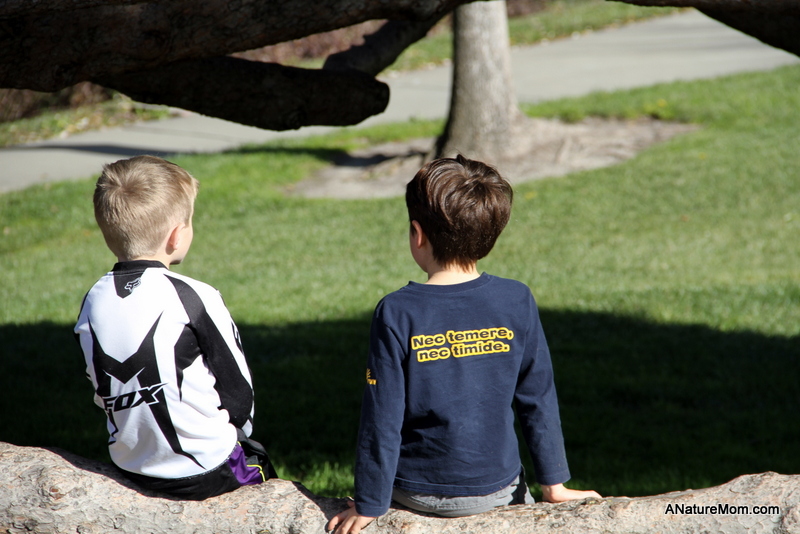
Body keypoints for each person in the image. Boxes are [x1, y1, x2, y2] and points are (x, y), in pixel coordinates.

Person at [328, 155, 600, 533]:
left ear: (417, 233)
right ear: (490, 235)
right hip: (499, 491)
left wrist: (370, 503)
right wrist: (554, 485)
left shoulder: (396, 311)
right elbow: (538, 397)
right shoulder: (516, 299)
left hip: (415, 493)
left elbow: (382, 414)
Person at [74, 155, 275, 500]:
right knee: (262, 474)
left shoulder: (93, 301)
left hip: (132, 465)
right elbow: (238, 392)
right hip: (207, 467)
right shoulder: (194, 296)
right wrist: (236, 435)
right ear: (176, 236)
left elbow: (100, 388)